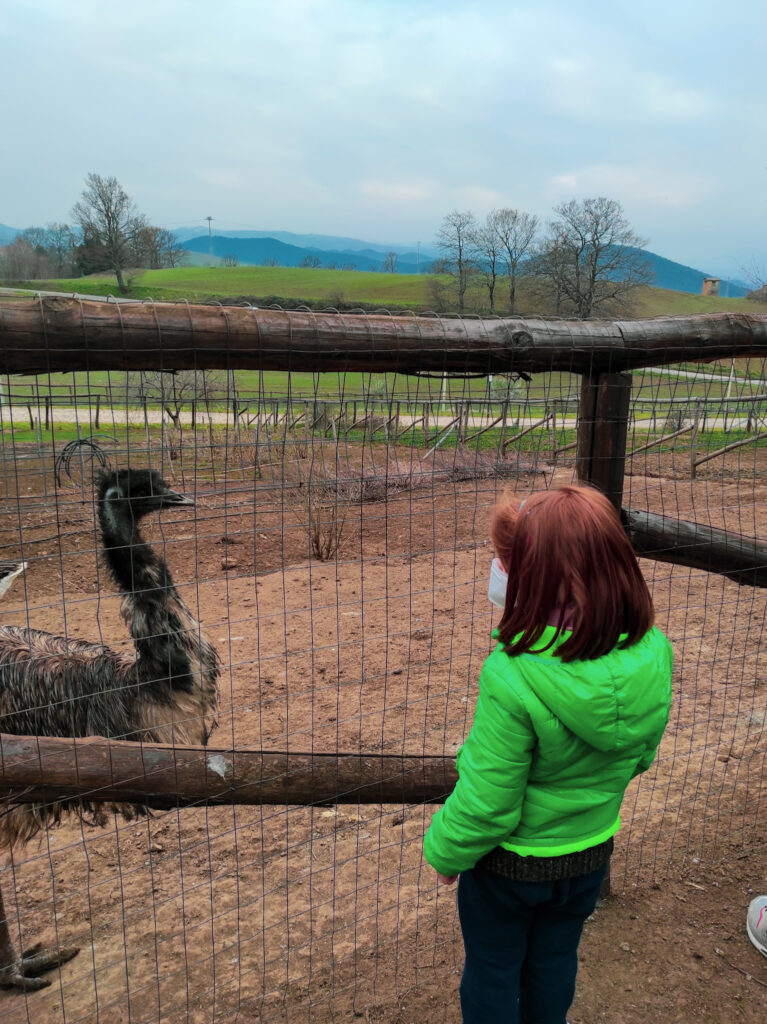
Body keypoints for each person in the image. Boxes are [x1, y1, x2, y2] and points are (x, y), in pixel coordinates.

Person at [423, 485, 673, 1024]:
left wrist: (445, 852)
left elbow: (489, 802)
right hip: (589, 852)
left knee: (493, 969)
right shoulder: (653, 652)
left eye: (508, 567)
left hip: (510, 866)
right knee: (554, 961)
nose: (498, 573)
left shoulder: (512, 676)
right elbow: (643, 753)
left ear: (534, 587)